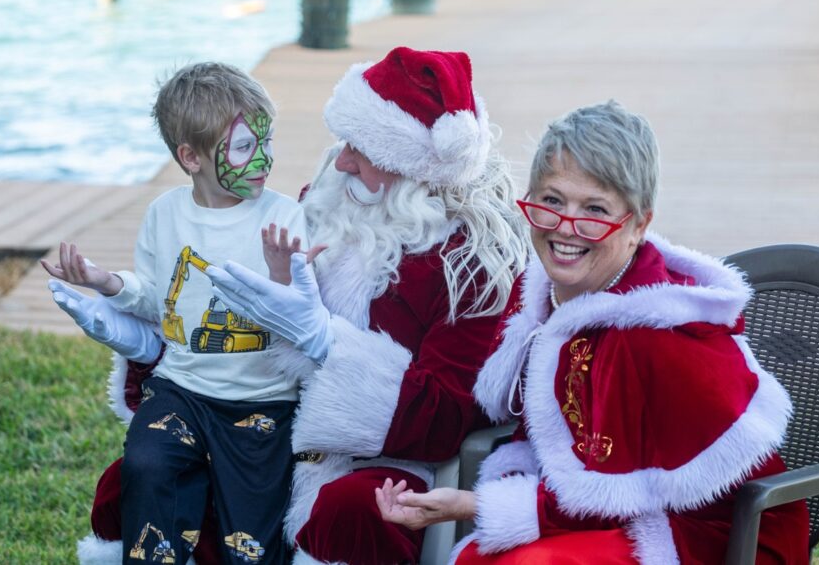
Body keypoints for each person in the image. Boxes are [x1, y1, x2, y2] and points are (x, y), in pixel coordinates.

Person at [66, 47, 529, 565]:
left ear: (413, 167)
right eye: (345, 141)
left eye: (361, 148)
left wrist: (326, 342)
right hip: (265, 422)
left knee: (353, 510)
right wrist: (139, 338)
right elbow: (228, 321)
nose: (342, 160)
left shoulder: (470, 264)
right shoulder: (326, 200)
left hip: (374, 459)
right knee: (128, 480)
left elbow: (447, 415)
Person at [376, 100, 811, 564]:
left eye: (595, 209)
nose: (566, 228)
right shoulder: (548, 295)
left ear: (639, 224)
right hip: (623, 512)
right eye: (551, 201)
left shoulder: (648, 334)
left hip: (712, 533)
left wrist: (473, 505)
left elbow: (611, 492)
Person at [46, 62, 316, 565]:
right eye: (243, 147)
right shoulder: (164, 214)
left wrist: (283, 277)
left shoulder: (283, 217)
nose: (263, 158)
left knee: (253, 544)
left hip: (262, 403)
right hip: (183, 392)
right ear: (190, 157)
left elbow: (300, 322)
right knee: (147, 463)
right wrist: (105, 282)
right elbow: (157, 299)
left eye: (267, 141)